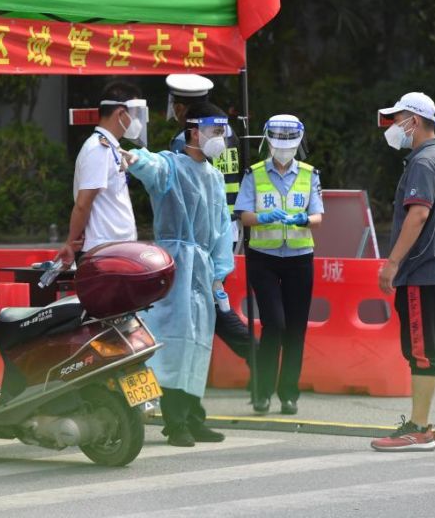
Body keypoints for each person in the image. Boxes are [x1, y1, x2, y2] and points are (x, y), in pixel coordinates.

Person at [119, 101, 234, 447]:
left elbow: (221, 229)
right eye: (214, 131)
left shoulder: (213, 176)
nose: (220, 139)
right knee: (171, 346)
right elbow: (150, 164)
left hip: (201, 271)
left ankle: (193, 416)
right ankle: (175, 422)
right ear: (194, 132)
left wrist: (219, 273)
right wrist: (134, 158)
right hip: (172, 268)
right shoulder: (171, 167)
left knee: (197, 346)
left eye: (222, 132)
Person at [371, 92, 435, 452]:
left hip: (423, 271)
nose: (395, 127)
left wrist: (393, 262)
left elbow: (419, 213)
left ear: (413, 120)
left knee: (422, 350)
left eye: (398, 120)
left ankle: (418, 427)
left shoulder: (423, 163)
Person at [234, 114, 324, 416]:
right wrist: (262, 217)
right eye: (278, 139)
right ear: (268, 141)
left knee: (296, 330)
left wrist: (303, 220)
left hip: (299, 257)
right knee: (274, 325)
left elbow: (318, 216)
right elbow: (243, 214)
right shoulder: (255, 173)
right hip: (264, 258)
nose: (284, 146)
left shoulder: (310, 174)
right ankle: (261, 391)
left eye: (289, 140)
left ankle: (289, 394)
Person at [166, 74, 257, 368]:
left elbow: (179, 194)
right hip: (228, 228)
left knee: (206, 303)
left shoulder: (185, 140)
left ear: (181, 109)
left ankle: (258, 357)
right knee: (208, 300)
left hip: (199, 234)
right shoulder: (229, 132)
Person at [57, 82, 143, 266]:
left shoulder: (109, 146)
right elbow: (83, 203)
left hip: (115, 247)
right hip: (104, 250)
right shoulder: (97, 148)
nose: (137, 121)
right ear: (121, 113)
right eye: (134, 115)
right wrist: (70, 243)